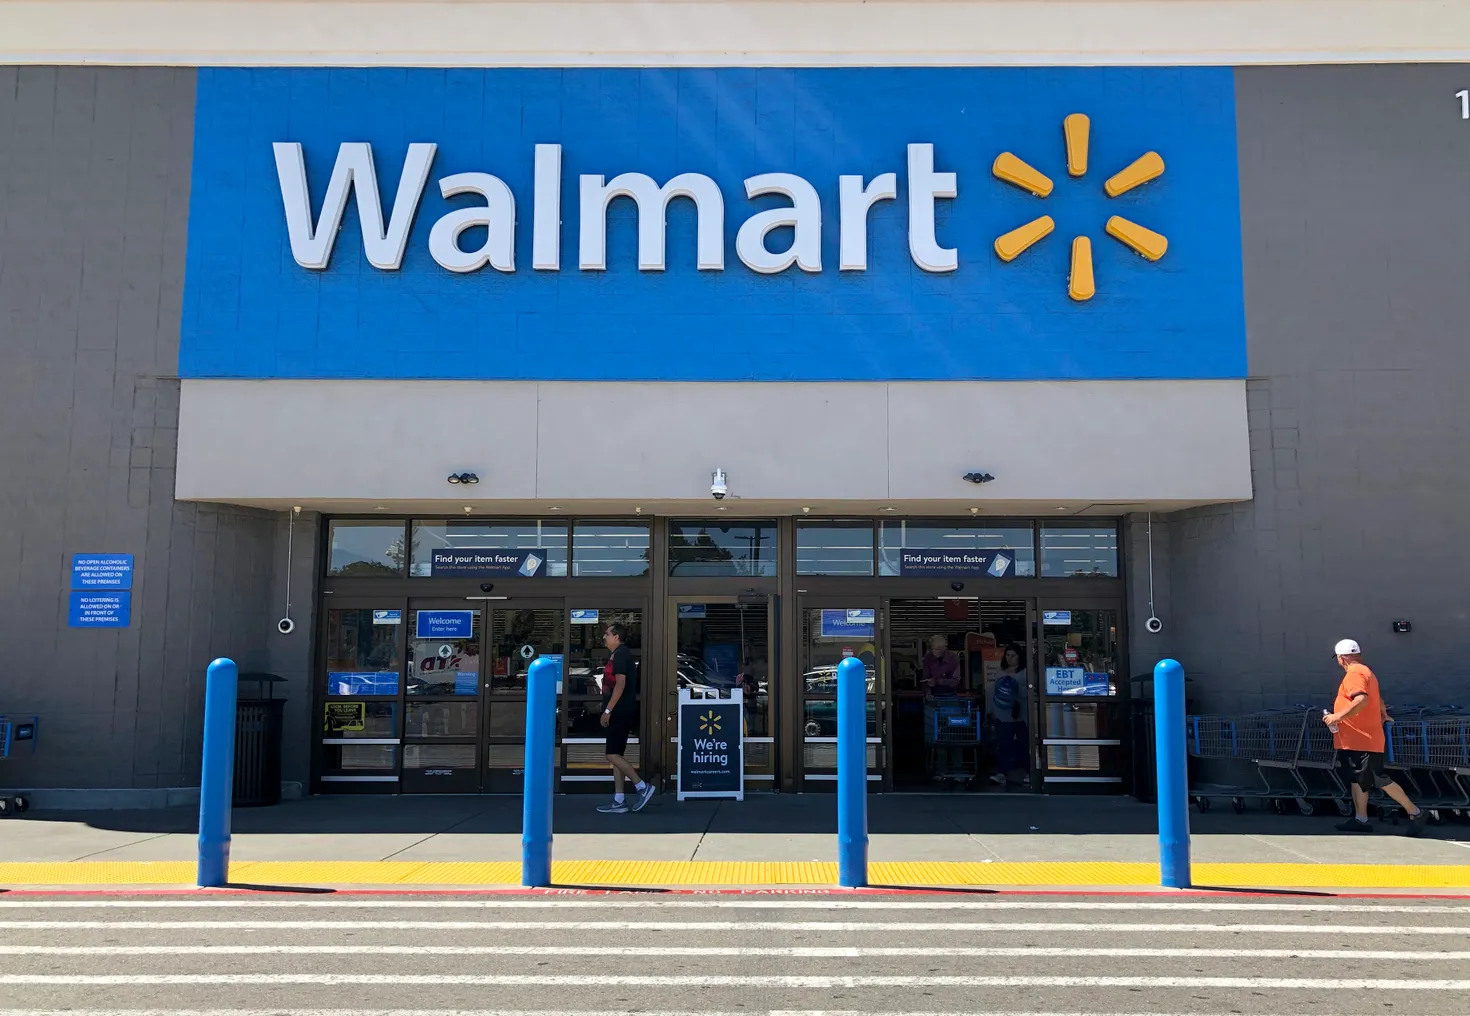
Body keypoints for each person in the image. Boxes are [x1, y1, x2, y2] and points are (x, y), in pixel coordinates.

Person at [1324, 638, 1425, 836]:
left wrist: (1336, 716)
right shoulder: (1366, 672)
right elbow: (1376, 698)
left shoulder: (1354, 674)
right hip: (1355, 740)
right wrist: (1383, 713)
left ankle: (1416, 812)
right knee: (1357, 779)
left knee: (1379, 778)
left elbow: (1361, 699)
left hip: (1363, 739)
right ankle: (1361, 819)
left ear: (1342, 658)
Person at [596, 623, 655, 814]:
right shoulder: (618, 654)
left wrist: (608, 710)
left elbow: (620, 684)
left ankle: (642, 787)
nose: (604, 637)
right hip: (619, 710)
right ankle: (619, 800)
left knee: (611, 754)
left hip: (620, 711)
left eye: (607, 634)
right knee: (616, 755)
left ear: (616, 637)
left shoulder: (621, 654)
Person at [920, 634, 964, 780]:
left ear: (945, 647)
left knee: (955, 735)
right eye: (933, 649)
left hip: (950, 698)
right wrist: (927, 692)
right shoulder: (927, 658)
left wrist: (937, 681)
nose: (935, 652)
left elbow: (956, 681)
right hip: (934, 700)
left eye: (938, 649)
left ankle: (958, 771)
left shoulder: (953, 659)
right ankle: (941, 771)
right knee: (937, 737)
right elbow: (924, 678)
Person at [989, 643, 1029, 785]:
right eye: (1007, 655)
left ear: (1019, 657)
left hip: (1021, 714)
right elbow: (993, 693)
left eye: (1013, 655)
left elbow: (1031, 692)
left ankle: (1028, 772)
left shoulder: (1025, 672)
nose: (1010, 658)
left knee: (1024, 744)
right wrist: (991, 711)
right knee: (1003, 745)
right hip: (1002, 714)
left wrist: (1016, 687)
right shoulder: (1000, 672)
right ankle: (1001, 773)